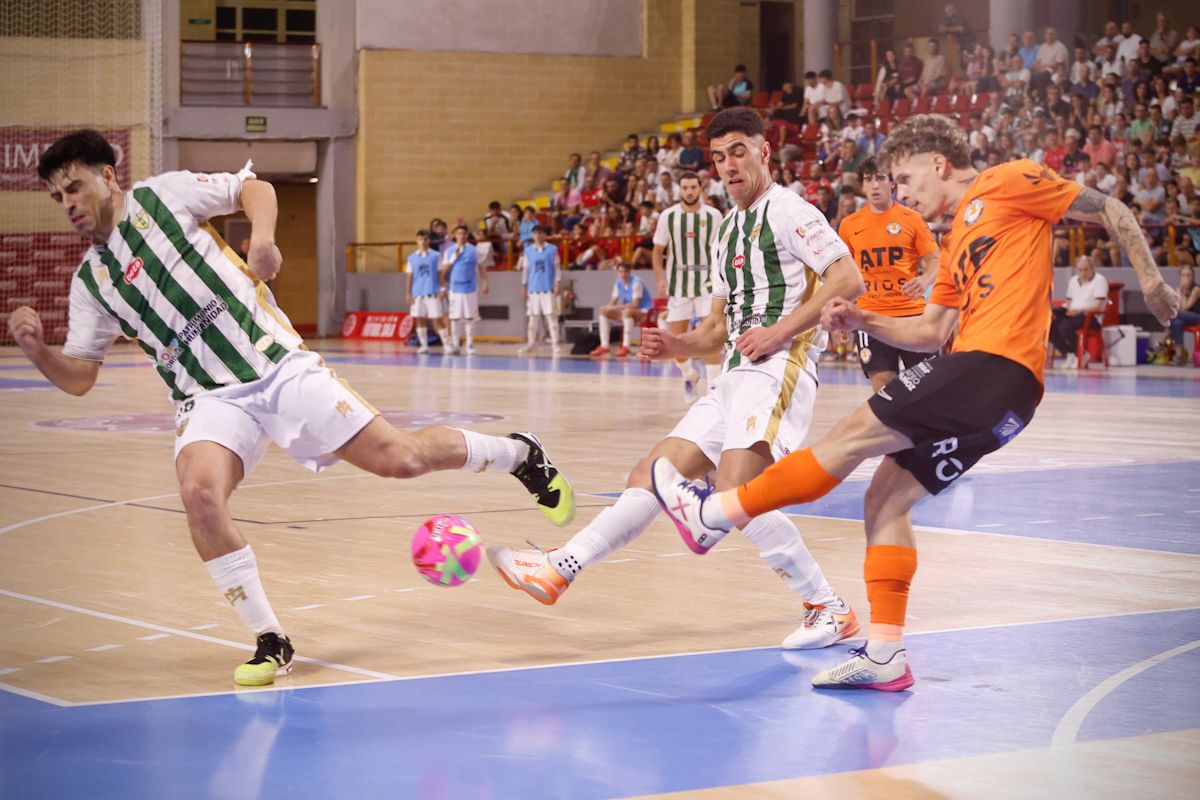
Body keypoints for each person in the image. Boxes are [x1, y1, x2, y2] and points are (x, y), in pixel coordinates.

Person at [12, 129, 578, 686]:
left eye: (74, 187)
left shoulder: (163, 195)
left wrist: (262, 240)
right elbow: (81, 376)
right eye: (58, 196)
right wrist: (40, 352)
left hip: (275, 363)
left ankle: (518, 454)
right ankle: (269, 639)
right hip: (208, 397)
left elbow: (253, 187)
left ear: (108, 176)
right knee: (198, 494)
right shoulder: (93, 281)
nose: (68, 203)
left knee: (400, 460)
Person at [651, 113, 1180, 692]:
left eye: (904, 179)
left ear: (938, 163)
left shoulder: (1009, 180)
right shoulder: (955, 242)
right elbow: (929, 331)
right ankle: (885, 654)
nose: (901, 193)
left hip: (992, 366)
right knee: (884, 498)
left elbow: (1111, 208)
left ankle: (712, 516)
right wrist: (861, 318)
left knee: (851, 435)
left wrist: (1150, 281)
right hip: (1004, 398)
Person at [487, 107, 866, 651]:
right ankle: (560, 566)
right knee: (652, 469)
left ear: (763, 151)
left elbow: (847, 277)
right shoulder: (727, 230)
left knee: (740, 492)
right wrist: (678, 345)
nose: (729, 165)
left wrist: (779, 331)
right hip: (734, 373)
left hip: (780, 367)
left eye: (739, 151)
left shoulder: (790, 211)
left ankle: (829, 607)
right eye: (719, 157)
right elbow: (716, 330)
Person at [837, 158, 940, 391]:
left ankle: (931, 428)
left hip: (912, 316)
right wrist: (842, 316)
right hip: (871, 318)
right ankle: (894, 429)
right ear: (862, 187)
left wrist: (924, 279)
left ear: (892, 183)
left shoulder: (911, 219)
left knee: (927, 387)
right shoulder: (849, 225)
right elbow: (844, 274)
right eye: (868, 180)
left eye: (881, 178)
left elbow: (935, 259)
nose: (875, 185)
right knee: (883, 387)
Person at [650, 171, 724, 402]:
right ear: (679, 190)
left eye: (693, 187)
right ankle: (689, 375)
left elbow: (721, 251)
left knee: (711, 336)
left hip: (707, 281)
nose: (689, 191)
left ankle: (714, 391)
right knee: (675, 339)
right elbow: (657, 252)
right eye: (685, 187)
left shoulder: (714, 215)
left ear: (700, 188)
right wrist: (660, 278)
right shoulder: (668, 216)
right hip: (678, 282)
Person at [1049, 255, 1109, 368]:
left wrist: (1079, 311)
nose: (1083, 273)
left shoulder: (1100, 280)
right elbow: (1069, 300)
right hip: (1073, 313)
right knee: (1049, 325)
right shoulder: (1073, 281)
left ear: (1092, 269)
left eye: (1086, 269)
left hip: (1090, 317)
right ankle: (1068, 353)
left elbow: (1099, 306)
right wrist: (1067, 310)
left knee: (1064, 327)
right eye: (1080, 270)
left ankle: (1082, 354)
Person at [588, 261, 653, 357]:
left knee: (627, 312)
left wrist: (615, 307)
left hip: (644, 312)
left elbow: (635, 305)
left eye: (625, 272)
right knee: (603, 312)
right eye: (620, 272)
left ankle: (626, 346)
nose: (623, 274)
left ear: (629, 272)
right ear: (617, 272)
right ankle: (604, 346)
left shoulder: (636, 282)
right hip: (628, 313)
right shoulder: (618, 282)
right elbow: (614, 300)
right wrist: (607, 307)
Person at [441, 224, 488, 355]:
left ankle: (470, 344)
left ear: (467, 235)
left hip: (470, 289)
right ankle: (455, 344)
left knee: (469, 317)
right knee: (455, 318)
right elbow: (443, 271)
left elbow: (481, 267)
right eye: (459, 233)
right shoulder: (449, 251)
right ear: (455, 235)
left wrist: (485, 282)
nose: (461, 236)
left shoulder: (474, 250)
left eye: (463, 233)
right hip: (455, 289)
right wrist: (452, 259)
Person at [516, 225, 561, 357]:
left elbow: (557, 269)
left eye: (540, 233)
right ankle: (531, 344)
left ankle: (555, 345)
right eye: (535, 233)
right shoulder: (528, 251)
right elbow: (526, 270)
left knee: (551, 317)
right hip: (533, 289)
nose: (537, 235)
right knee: (533, 318)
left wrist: (557, 283)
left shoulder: (552, 249)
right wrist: (523, 286)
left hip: (548, 288)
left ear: (544, 234)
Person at [405, 229, 449, 354]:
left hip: (433, 292)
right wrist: (408, 293)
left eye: (425, 239)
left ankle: (447, 344)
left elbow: (440, 273)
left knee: (437, 319)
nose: (423, 242)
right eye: (420, 239)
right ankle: (424, 345)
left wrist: (442, 288)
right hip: (417, 293)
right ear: (416, 240)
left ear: (428, 240)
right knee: (420, 319)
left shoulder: (435, 255)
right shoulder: (412, 258)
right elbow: (409, 276)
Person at [1166, 264, 1200, 361]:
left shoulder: (1196, 289)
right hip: (1185, 318)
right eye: (1183, 275)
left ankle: (1161, 341)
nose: (1186, 278)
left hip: (1197, 318)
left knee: (1174, 314)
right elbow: (1178, 307)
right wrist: (1180, 291)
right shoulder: (1178, 289)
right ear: (1180, 277)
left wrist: (1183, 291)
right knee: (1177, 323)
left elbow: (1185, 308)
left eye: (1188, 275)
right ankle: (1179, 356)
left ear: (1193, 276)